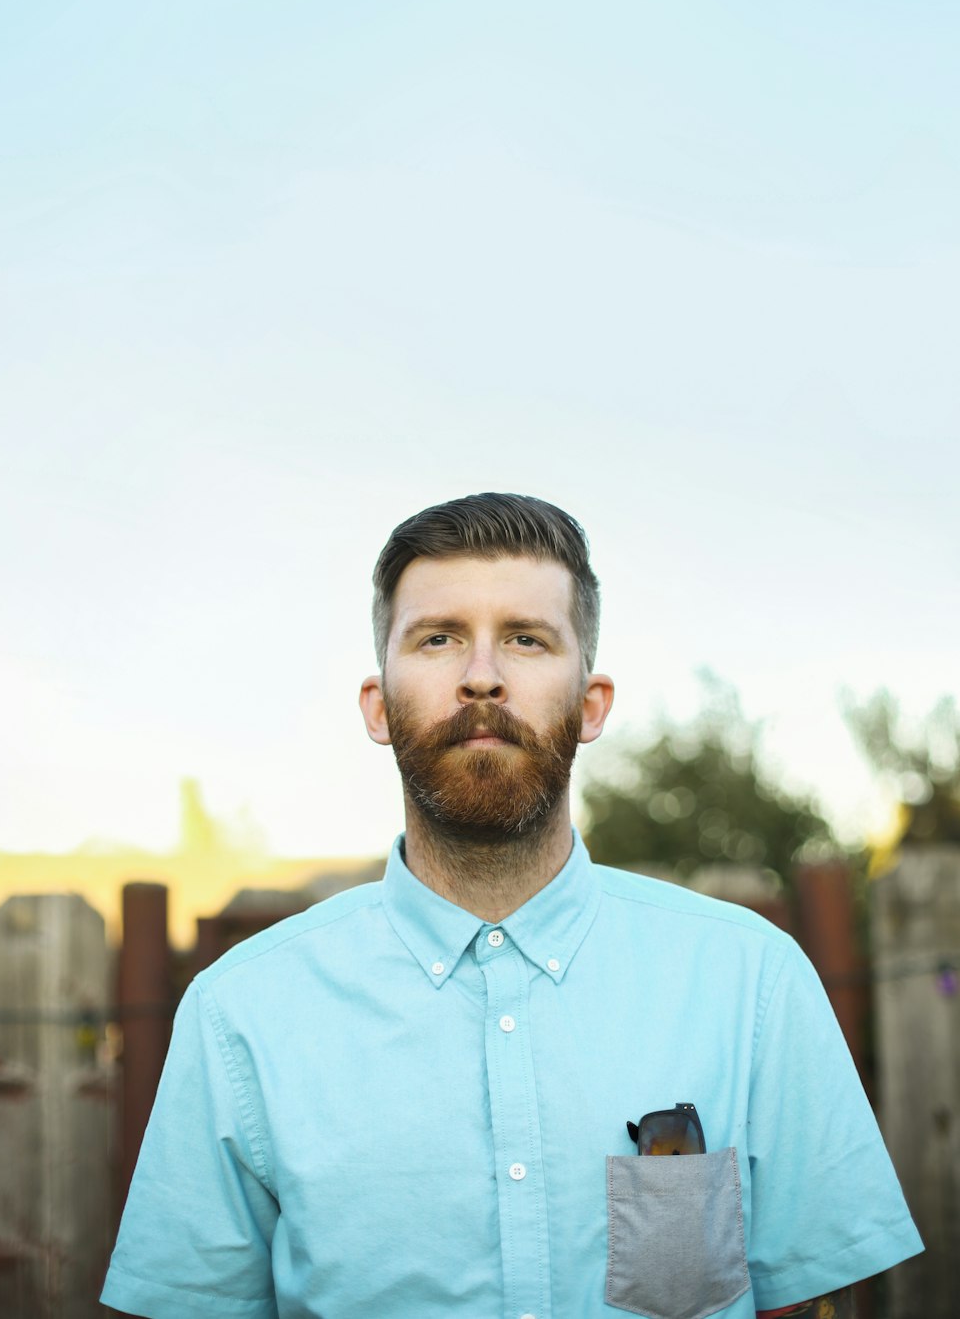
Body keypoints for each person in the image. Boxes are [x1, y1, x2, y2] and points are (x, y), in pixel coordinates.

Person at [102, 492, 922, 1319]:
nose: (481, 674)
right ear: (379, 707)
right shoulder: (240, 1013)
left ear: (590, 703)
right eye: (438, 638)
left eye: (526, 639)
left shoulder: (753, 982)